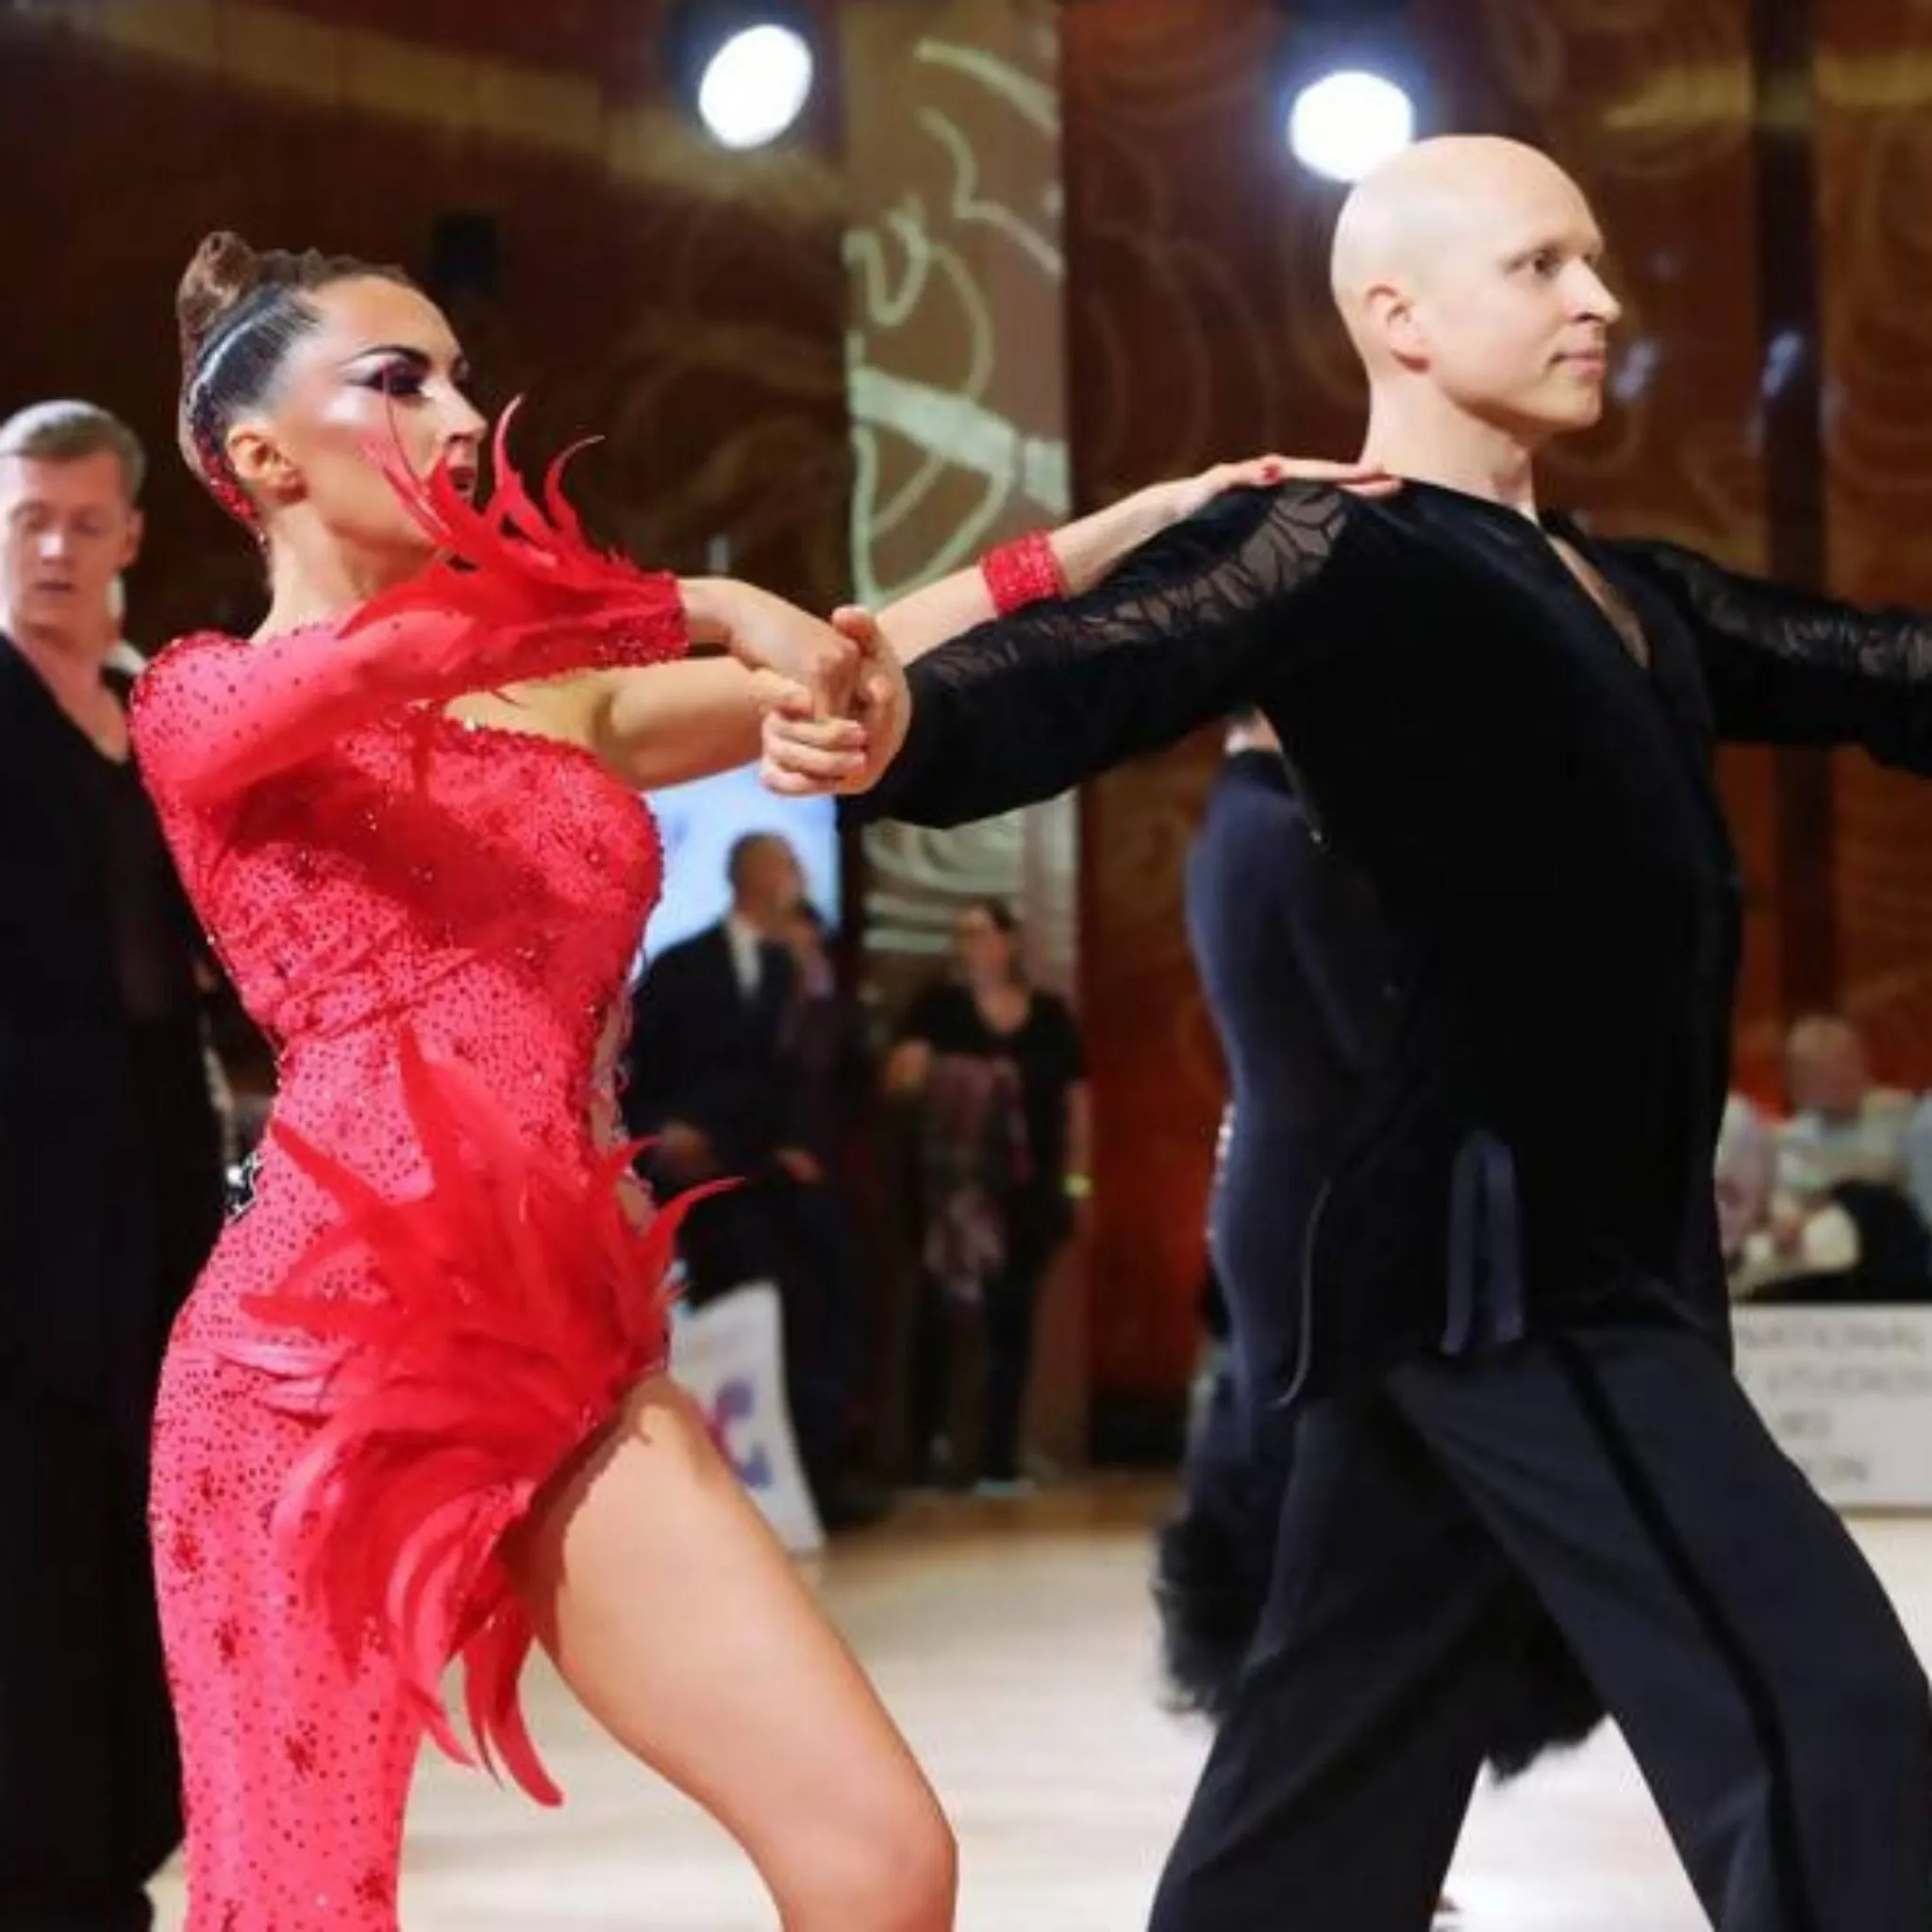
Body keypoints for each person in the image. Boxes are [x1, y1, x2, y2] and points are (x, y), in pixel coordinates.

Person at [134, 225, 1358, 1929]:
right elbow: (377, 668)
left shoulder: (569, 703)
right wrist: (693, 596)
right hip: (310, 1367)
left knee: (876, 1857)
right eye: (397, 381)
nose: (465, 414)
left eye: (464, 377)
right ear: (258, 458)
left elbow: (878, 643)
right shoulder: (204, 704)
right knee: (295, 1905)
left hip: (570, 1335)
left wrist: (1140, 526)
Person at [788, 137, 1932, 1929]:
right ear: (1392, 316)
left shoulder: (1620, 590)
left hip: (1545, 1266)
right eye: (1541, 266)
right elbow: (1101, 665)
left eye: (1597, 262)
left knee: (1328, 1769)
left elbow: (1876, 662)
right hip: (1511, 1267)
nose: (1598, 302)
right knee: (1823, 1710)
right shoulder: (1331, 543)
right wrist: (898, 734)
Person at [0, 399, 225, 1930]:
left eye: (86, 521)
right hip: (15, 1216)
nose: (58, 547)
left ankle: (104, 1862)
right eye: (28, 520)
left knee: (128, 1551)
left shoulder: (157, 720)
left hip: (148, 1199)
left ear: (133, 535)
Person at [888, 898, 1089, 1492]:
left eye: (980, 932)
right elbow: (899, 1082)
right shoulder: (937, 1010)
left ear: (1009, 941)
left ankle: (999, 1459)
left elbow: (1077, 1103)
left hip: (1026, 1191)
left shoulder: (1049, 1015)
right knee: (934, 1319)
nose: (970, 945)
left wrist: (1079, 1181)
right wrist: (923, 1068)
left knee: (1012, 1322)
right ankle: (927, 1457)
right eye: (962, 934)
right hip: (950, 1193)